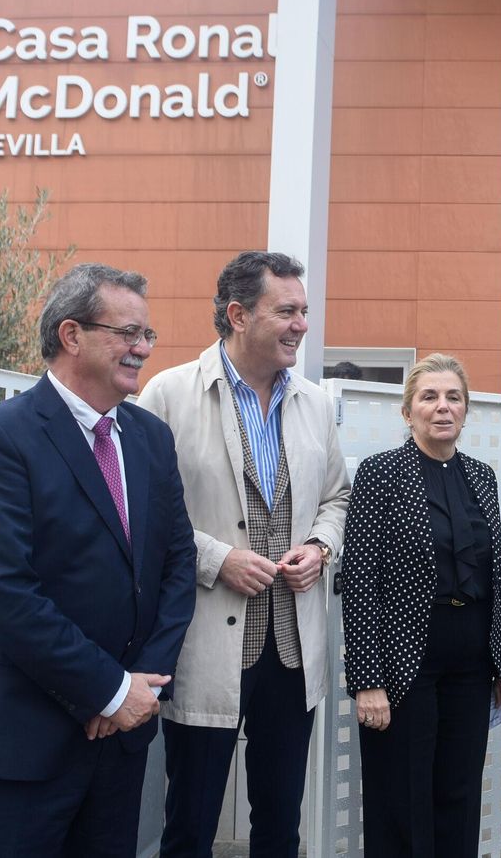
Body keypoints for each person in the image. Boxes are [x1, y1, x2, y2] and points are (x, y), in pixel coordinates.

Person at [0, 263, 197, 857]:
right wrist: (105, 689)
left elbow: (178, 566)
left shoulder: (150, 438)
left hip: (120, 740)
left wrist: (140, 690)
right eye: (128, 333)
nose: (143, 349)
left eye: (148, 336)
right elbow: (4, 592)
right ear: (72, 335)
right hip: (17, 742)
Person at [139, 251, 351, 858]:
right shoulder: (168, 394)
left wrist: (320, 546)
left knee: (280, 824)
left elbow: (337, 496)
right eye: (286, 311)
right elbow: (145, 512)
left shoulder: (314, 403)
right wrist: (216, 559)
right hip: (205, 641)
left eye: (304, 311)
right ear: (237, 314)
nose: (302, 325)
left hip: (292, 650)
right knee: (191, 823)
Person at [341, 353, 501, 856]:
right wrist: (367, 679)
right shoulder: (380, 474)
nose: (443, 407)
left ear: (465, 410)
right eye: (429, 397)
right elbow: (359, 581)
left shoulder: (482, 476)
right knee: (401, 796)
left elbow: (495, 576)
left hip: (471, 659)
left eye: (454, 397)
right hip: (403, 659)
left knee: (458, 793)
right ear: (408, 411)